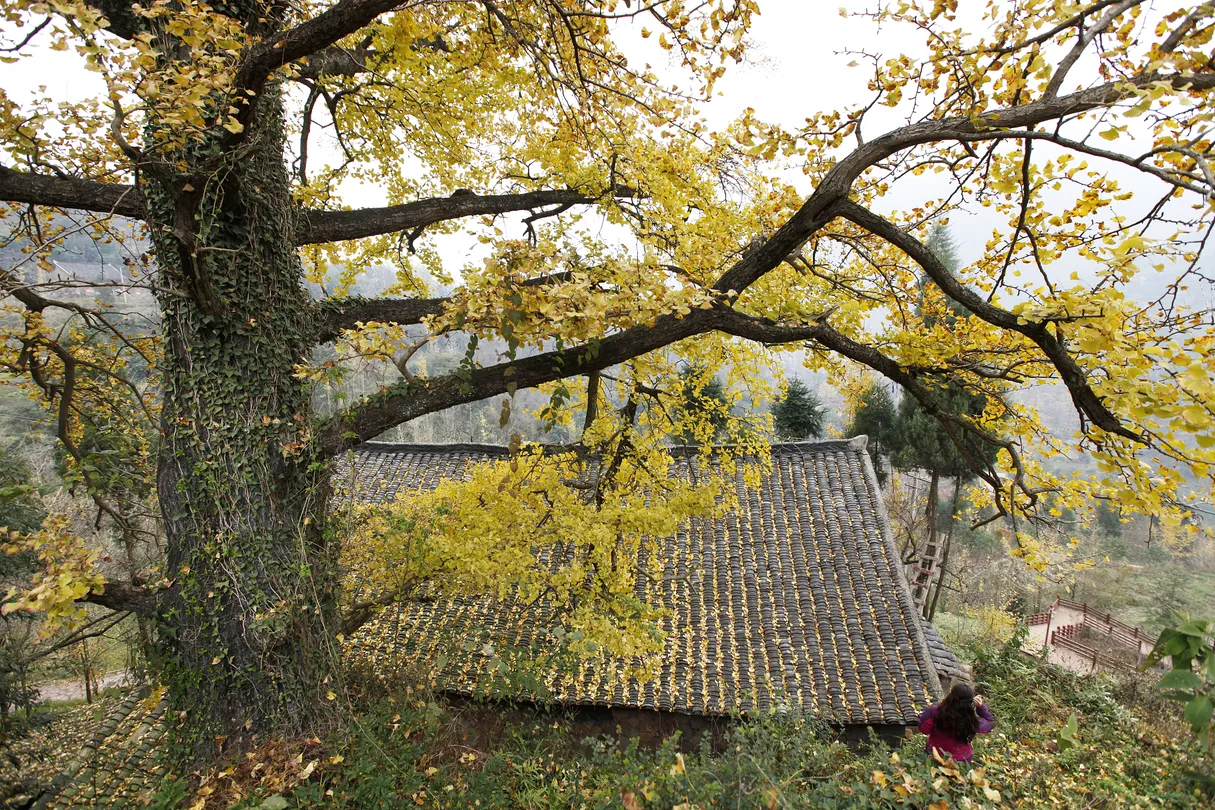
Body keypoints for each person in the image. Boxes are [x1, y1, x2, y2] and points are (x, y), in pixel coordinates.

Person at [917, 683, 995, 762]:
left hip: (934, 754)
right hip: (961, 760)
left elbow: (923, 729)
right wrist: (981, 707)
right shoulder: (971, 721)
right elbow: (990, 723)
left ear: (950, 696)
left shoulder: (934, 712)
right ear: (970, 702)